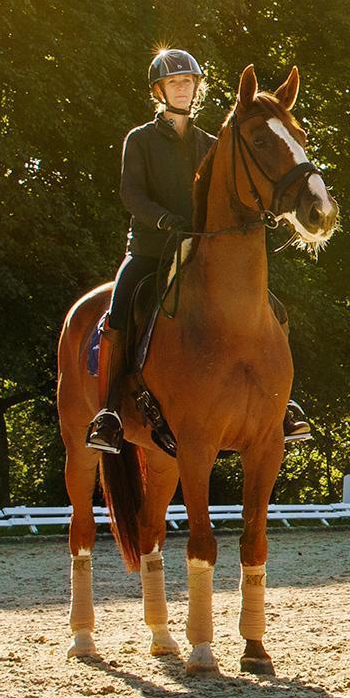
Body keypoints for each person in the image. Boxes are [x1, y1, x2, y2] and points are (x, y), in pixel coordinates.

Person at [87, 49, 309, 454]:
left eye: (188, 82)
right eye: (174, 83)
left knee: (274, 310)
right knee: (119, 309)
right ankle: (109, 413)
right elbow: (131, 194)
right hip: (152, 249)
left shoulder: (210, 142)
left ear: (197, 88)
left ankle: (282, 404)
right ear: (160, 90)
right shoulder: (139, 140)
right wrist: (164, 220)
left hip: (199, 250)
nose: (183, 88)